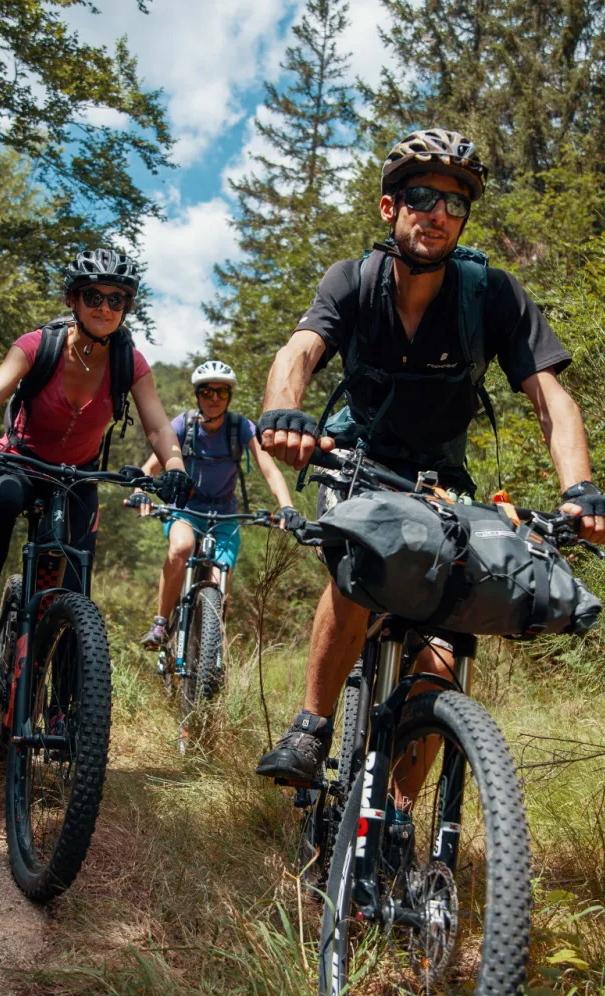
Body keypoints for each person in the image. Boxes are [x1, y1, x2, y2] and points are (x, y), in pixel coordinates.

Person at [254, 128, 605, 825]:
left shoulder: (492, 295)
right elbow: (299, 351)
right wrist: (284, 413)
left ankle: (394, 811)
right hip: (354, 462)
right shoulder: (352, 281)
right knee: (363, 557)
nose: (437, 212)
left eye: (453, 202)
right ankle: (311, 726)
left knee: (442, 656)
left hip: (440, 482)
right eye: (420, 196)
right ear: (391, 208)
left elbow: (550, 399)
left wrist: (579, 491)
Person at [0, 248, 191, 663]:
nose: (105, 308)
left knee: (74, 590)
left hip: (77, 477)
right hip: (21, 459)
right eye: (93, 296)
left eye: (116, 299)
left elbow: (159, 426)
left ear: (127, 306)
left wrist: (175, 465)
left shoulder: (131, 363)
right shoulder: (39, 345)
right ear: (72, 300)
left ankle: (63, 708)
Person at [137, 360, 295, 649]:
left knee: (221, 575)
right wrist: (141, 493)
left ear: (229, 397)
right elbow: (151, 467)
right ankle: (160, 623)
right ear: (197, 395)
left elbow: (270, 470)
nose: (213, 399)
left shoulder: (240, 427)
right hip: (186, 509)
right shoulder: (183, 425)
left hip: (225, 514)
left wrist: (286, 507)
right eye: (207, 392)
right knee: (181, 548)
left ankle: (212, 649)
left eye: (221, 393)